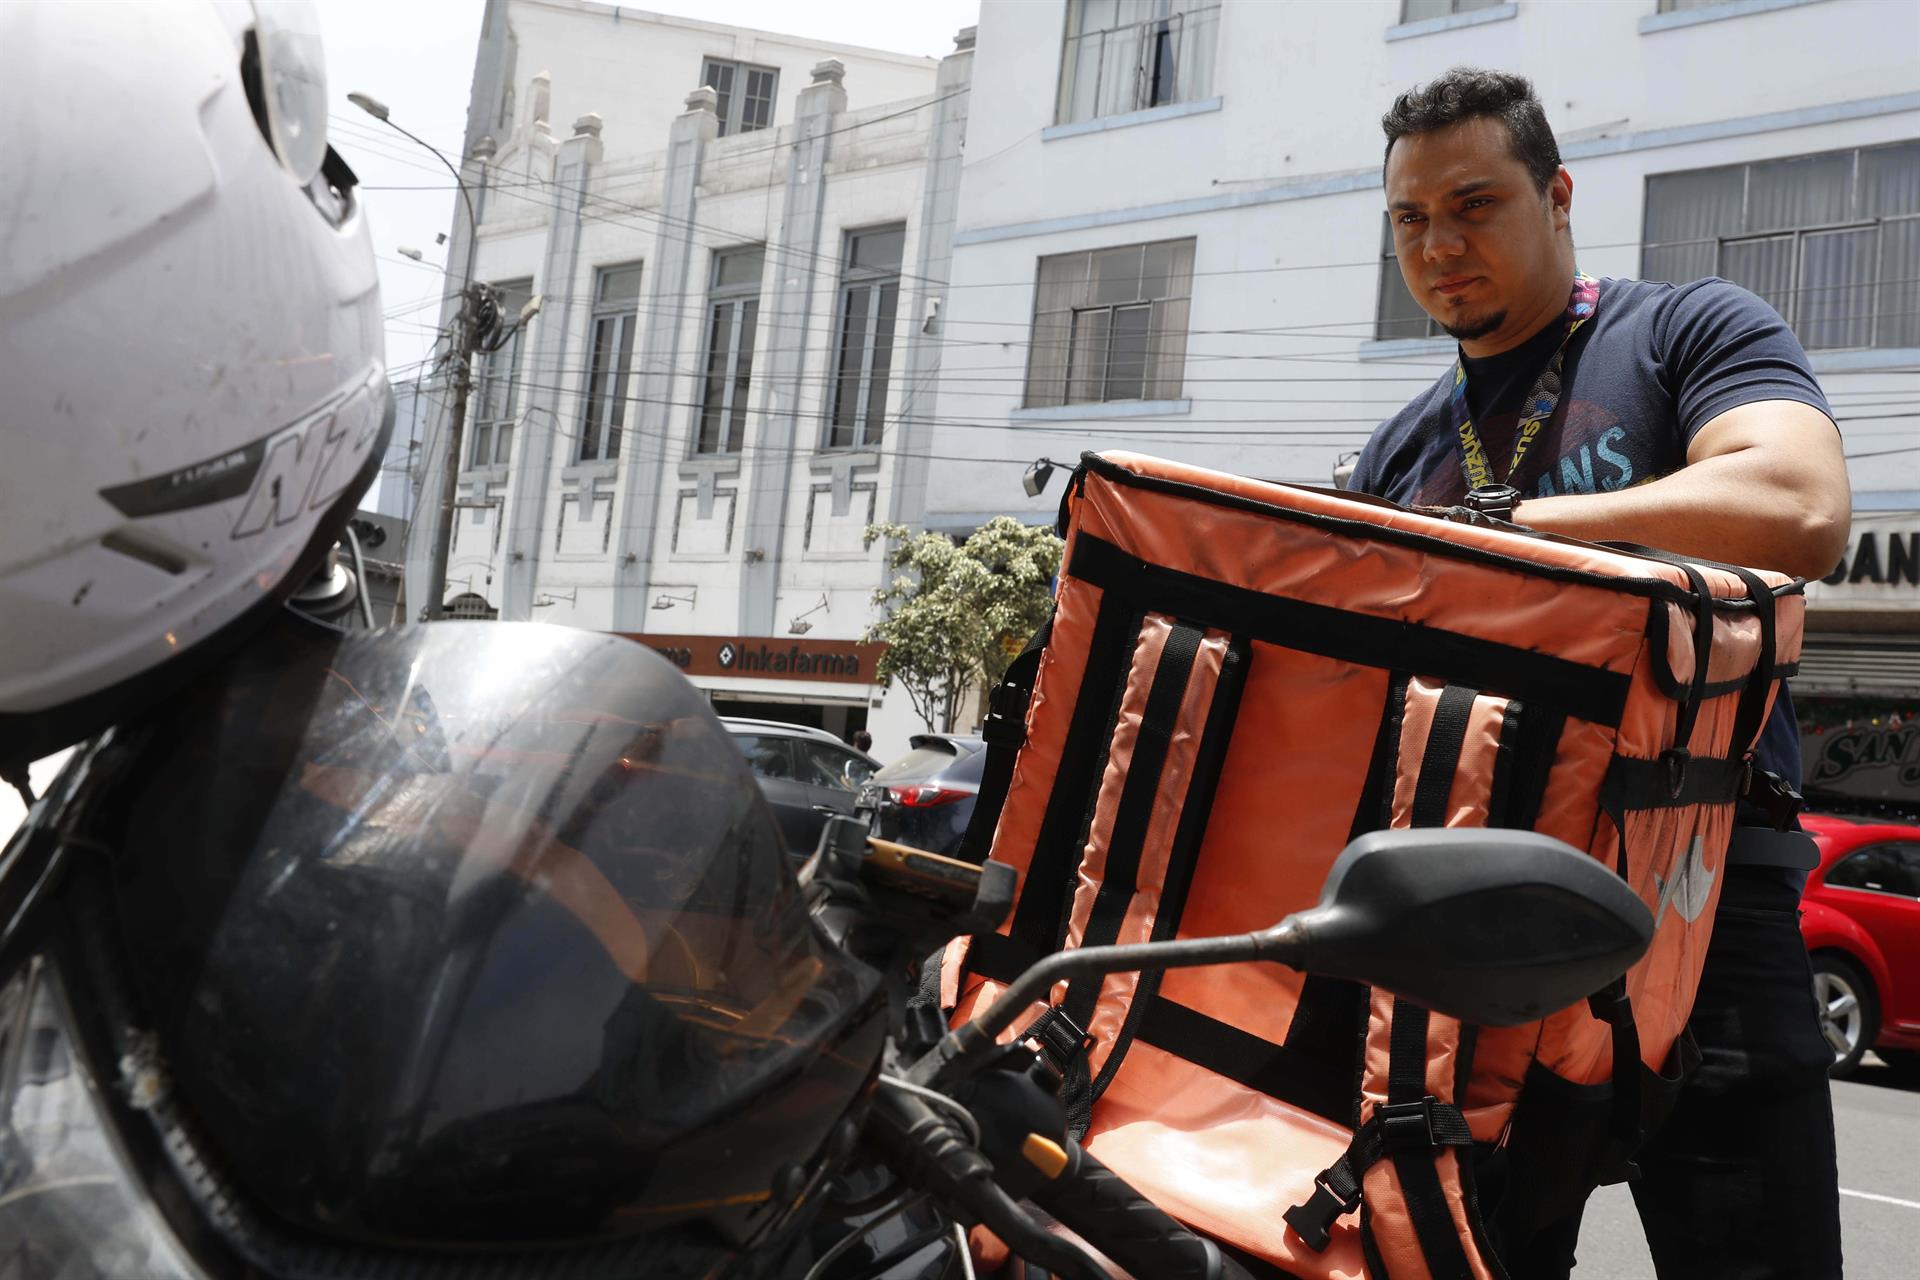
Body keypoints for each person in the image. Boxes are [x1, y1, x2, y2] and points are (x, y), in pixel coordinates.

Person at [1349, 68, 1850, 1277]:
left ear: (1559, 193)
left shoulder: (1687, 329)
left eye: (1474, 202)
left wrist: (1514, 534)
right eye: (1411, 219)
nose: (1440, 243)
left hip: (1702, 887)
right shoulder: (1400, 447)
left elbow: (1801, 502)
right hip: (1478, 920)